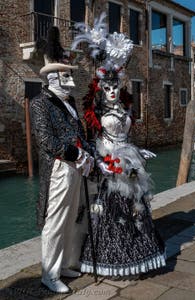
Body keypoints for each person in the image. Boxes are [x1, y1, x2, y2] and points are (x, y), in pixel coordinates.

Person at [72, 14, 166, 277]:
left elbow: (126, 136)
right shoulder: (96, 110)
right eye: (108, 87)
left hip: (130, 163)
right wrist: (101, 160)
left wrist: (138, 151)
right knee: (114, 212)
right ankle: (111, 259)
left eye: (116, 86)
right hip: (111, 165)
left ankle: (139, 256)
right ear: (102, 88)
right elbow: (92, 138)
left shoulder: (126, 108)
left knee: (138, 208)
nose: (112, 91)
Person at [30, 27, 94, 293]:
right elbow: (46, 141)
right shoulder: (40, 104)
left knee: (72, 219)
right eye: (65, 74)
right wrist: (76, 154)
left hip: (76, 168)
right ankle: (50, 273)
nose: (69, 78)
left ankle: (66, 263)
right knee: (56, 221)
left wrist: (88, 153)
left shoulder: (70, 103)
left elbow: (81, 133)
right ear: (53, 77)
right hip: (58, 169)